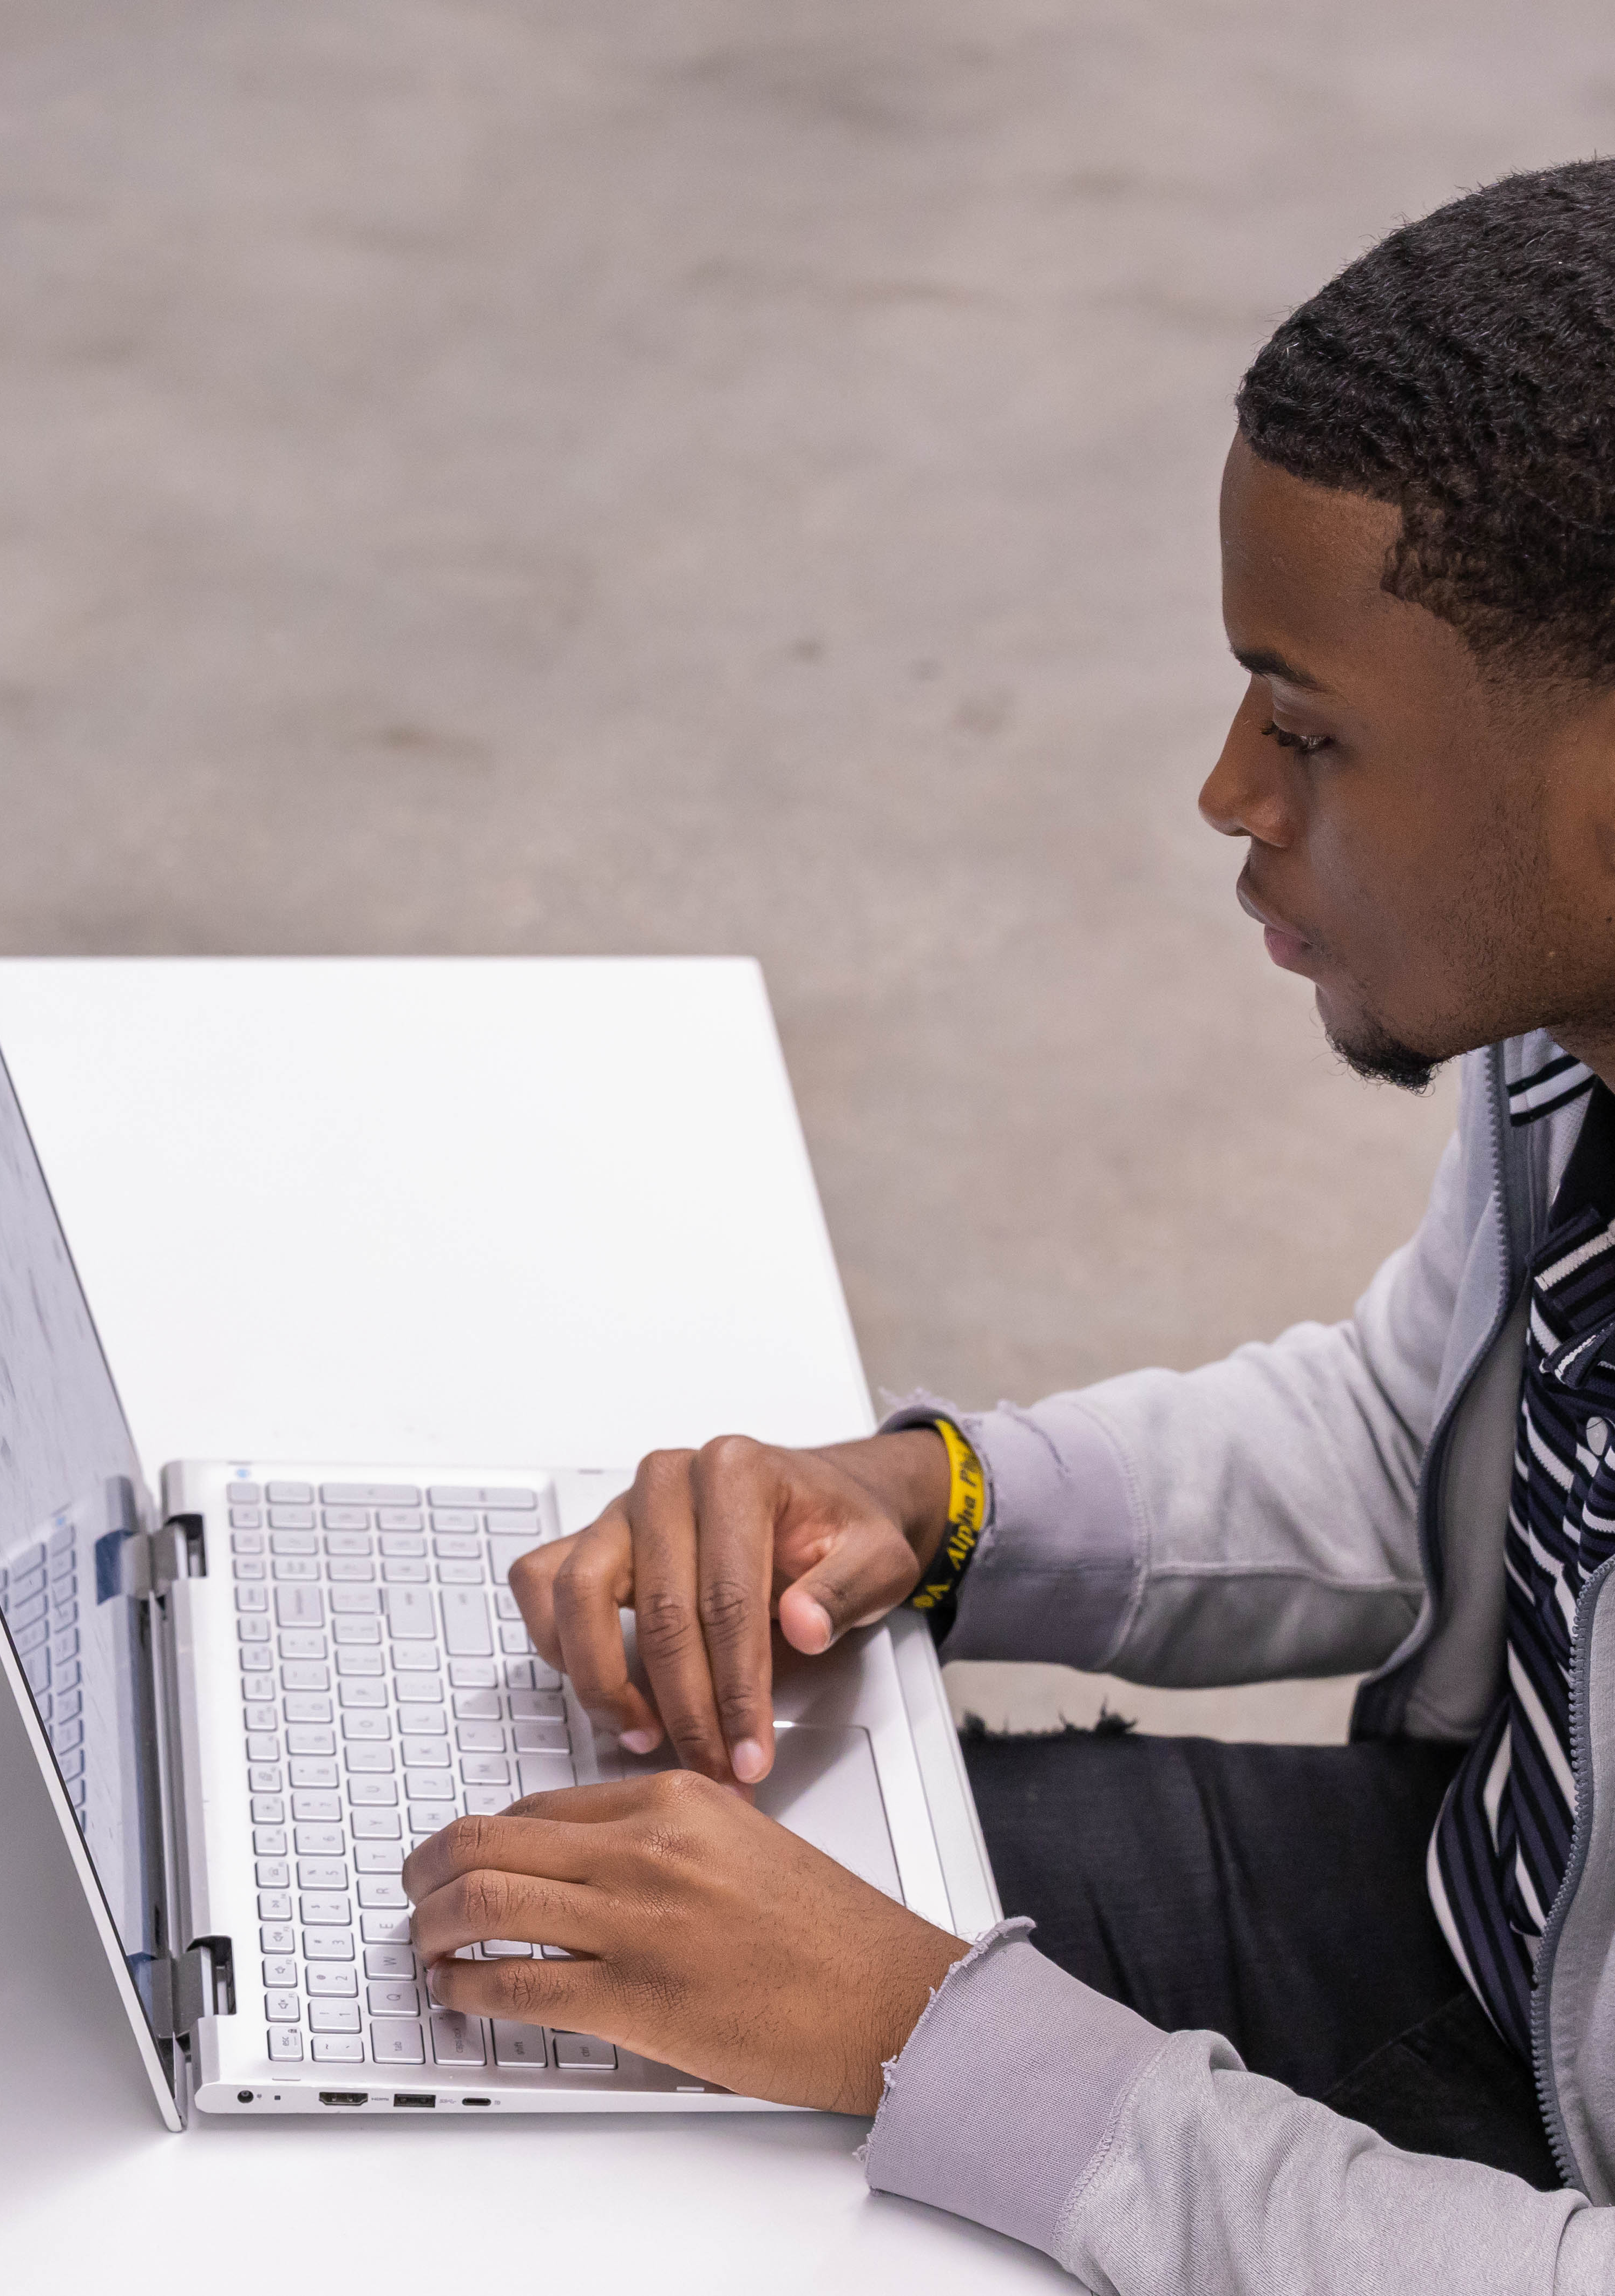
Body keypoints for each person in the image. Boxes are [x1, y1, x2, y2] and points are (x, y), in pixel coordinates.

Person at [397, 159, 1615, 2291]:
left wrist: (924, 2036)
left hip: (1510, 2186)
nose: (1228, 790)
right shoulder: (1575, 1033)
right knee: (502, 1932)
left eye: (1308, 725)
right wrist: (925, 1503)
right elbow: (1396, 1447)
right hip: (1464, 1905)